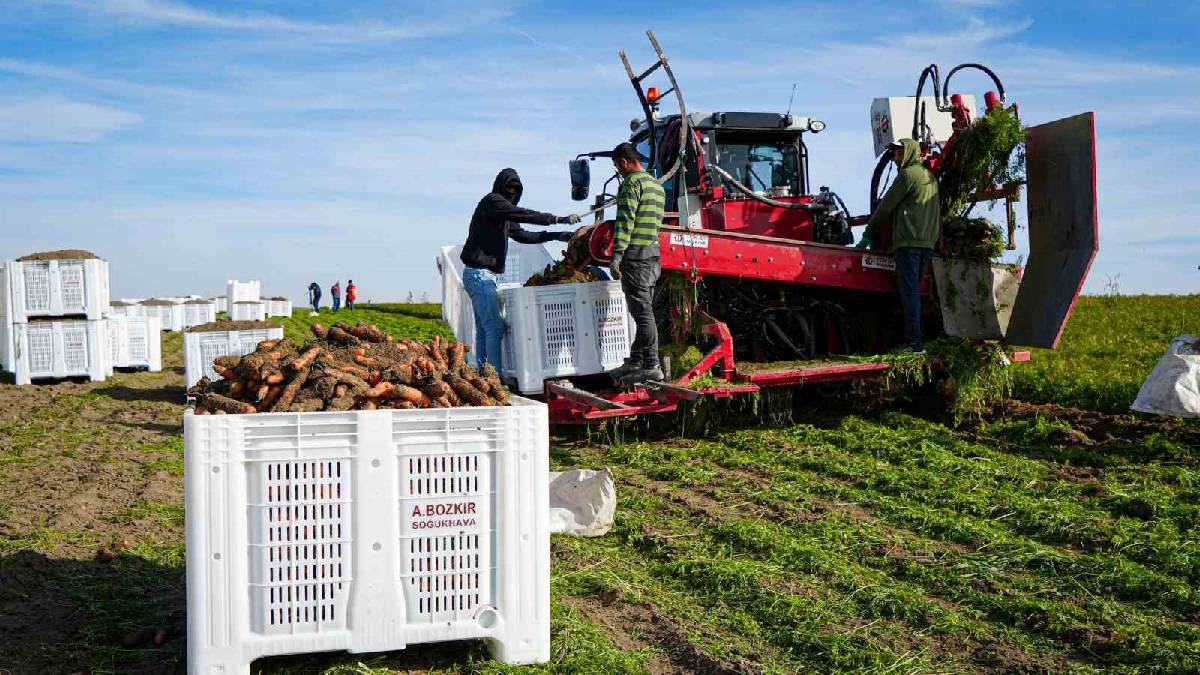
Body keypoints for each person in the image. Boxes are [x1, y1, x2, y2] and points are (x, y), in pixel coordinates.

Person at [461, 168, 578, 372]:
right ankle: (494, 376)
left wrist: (555, 235)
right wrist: (556, 219)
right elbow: (523, 214)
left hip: (481, 275)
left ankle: (484, 374)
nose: (512, 194)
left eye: (516, 190)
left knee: (485, 329)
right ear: (500, 187)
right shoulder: (492, 202)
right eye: (509, 189)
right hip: (479, 275)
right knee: (494, 327)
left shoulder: (504, 216)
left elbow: (524, 236)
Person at [863, 138, 941, 354]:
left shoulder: (907, 176)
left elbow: (885, 207)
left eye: (900, 153)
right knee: (915, 291)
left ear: (910, 153)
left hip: (908, 243)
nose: (896, 159)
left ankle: (914, 344)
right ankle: (919, 341)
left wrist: (868, 232)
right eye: (895, 154)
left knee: (909, 293)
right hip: (927, 243)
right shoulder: (929, 177)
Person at [608, 142, 665, 384]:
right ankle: (636, 360)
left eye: (617, 166)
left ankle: (652, 365)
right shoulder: (656, 186)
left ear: (624, 161)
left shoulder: (631, 184)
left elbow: (625, 222)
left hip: (636, 259)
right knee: (645, 311)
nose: (619, 171)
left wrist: (617, 256)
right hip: (653, 257)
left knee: (642, 315)